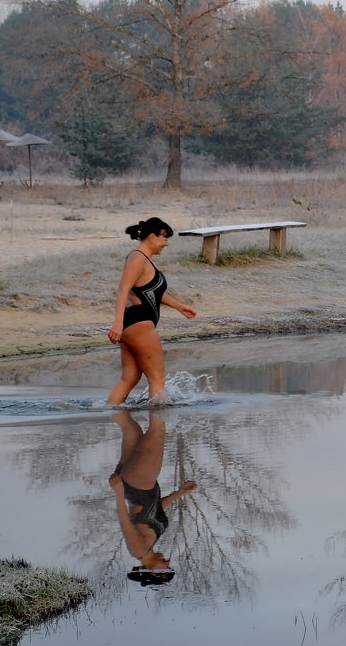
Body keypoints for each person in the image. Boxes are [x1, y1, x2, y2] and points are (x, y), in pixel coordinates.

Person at [107, 217, 197, 405]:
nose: (167, 243)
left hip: (134, 323)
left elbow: (153, 292)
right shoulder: (137, 258)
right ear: (151, 236)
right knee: (157, 378)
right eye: (164, 238)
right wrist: (117, 324)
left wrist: (179, 306)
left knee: (130, 378)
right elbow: (124, 288)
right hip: (139, 322)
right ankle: (158, 429)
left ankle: (110, 414)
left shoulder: (144, 260)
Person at [109, 410, 197, 586]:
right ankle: (114, 399)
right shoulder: (148, 546)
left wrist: (118, 493)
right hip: (136, 484)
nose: (168, 563)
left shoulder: (138, 550)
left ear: (153, 571)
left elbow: (124, 522)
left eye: (166, 569)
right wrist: (179, 493)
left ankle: (158, 392)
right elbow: (154, 509)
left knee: (157, 428)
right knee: (129, 426)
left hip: (139, 484)